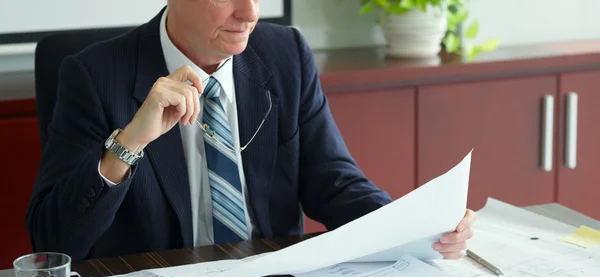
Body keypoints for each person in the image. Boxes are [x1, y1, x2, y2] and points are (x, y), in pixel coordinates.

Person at [26, 0, 475, 262]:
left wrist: (416, 228)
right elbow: (53, 242)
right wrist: (129, 144)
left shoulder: (285, 54)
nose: (250, 13)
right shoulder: (94, 74)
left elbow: (335, 184)